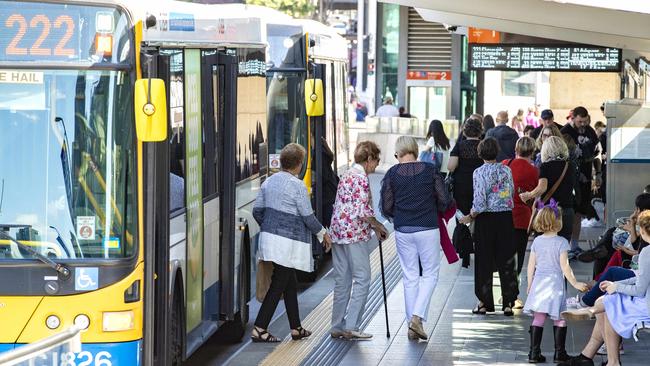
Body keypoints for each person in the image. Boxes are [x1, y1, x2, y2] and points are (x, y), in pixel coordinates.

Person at [251, 143, 332, 342]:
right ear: (298, 164)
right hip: (287, 244)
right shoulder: (297, 186)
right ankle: (260, 328)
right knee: (279, 283)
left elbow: (257, 211)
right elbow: (308, 216)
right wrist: (324, 234)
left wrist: (270, 226)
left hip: (270, 240)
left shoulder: (268, 182)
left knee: (289, 282)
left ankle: (296, 328)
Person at [380, 136, 454, 340]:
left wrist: (401, 213)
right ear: (414, 150)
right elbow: (443, 199)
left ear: (398, 154)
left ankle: (411, 326)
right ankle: (416, 318)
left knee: (410, 276)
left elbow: (386, 206)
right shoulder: (430, 170)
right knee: (430, 274)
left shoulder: (392, 174)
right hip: (428, 228)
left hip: (403, 229)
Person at [559, 210, 650, 366]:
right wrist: (616, 286)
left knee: (609, 302)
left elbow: (640, 288)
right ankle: (592, 356)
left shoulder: (647, 252)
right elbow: (641, 278)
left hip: (646, 304)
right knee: (607, 300)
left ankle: (590, 312)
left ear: (642, 230)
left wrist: (617, 287)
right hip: (646, 298)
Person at [329, 141, 388, 340]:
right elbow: (363, 211)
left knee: (342, 279)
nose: (377, 165)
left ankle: (337, 325)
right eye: (377, 160)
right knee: (362, 278)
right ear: (369, 158)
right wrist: (379, 226)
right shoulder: (361, 178)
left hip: (338, 232)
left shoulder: (347, 173)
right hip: (353, 233)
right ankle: (352, 325)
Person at [523, 200, 589, 363]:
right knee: (560, 318)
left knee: (538, 318)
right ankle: (560, 353)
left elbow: (531, 266)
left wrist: (529, 285)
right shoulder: (562, 242)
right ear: (558, 222)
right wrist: (575, 284)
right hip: (555, 286)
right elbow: (565, 267)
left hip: (538, 285)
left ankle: (533, 353)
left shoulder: (537, 242)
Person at [459, 137, 519, 316]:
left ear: (480, 153)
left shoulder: (479, 172)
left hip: (486, 220)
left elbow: (479, 202)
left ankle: (485, 303)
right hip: (506, 218)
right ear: (497, 151)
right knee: (507, 259)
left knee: (484, 260)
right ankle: (508, 302)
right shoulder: (506, 170)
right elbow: (512, 192)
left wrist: (470, 217)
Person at [561, 107, 603, 257]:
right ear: (573, 118)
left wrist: (598, 174)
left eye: (585, 121)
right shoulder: (565, 132)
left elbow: (597, 155)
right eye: (580, 121)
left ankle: (574, 245)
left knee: (579, 213)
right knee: (568, 213)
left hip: (585, 179)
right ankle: (563, 246)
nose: (583, 124)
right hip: (569, 179)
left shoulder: (590, 132)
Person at [520, 136, 576, 242]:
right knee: (562, 249)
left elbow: (542, 188)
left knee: (544, 248)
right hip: (567, 211)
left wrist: (528, 195)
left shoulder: (545, 166)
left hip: (549, 213)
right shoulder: (570, 166)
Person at [503, 137, 539, 279]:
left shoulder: (505, 164)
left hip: (504, 215)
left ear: (516, 149)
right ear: (533, 151)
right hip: (523, 219)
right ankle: (513, 287)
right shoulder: (535, 171)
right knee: (519, 254)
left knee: (503, 255)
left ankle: (502, 286)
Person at [448, 117, 484, 216]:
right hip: (480, 184)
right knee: (479, 215)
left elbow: (451, 167)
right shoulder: (484, 145)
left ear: (465, 131)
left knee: (462, 216)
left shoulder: (459, 146)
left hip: (461, 185)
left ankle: (463, 230)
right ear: (480, 131)